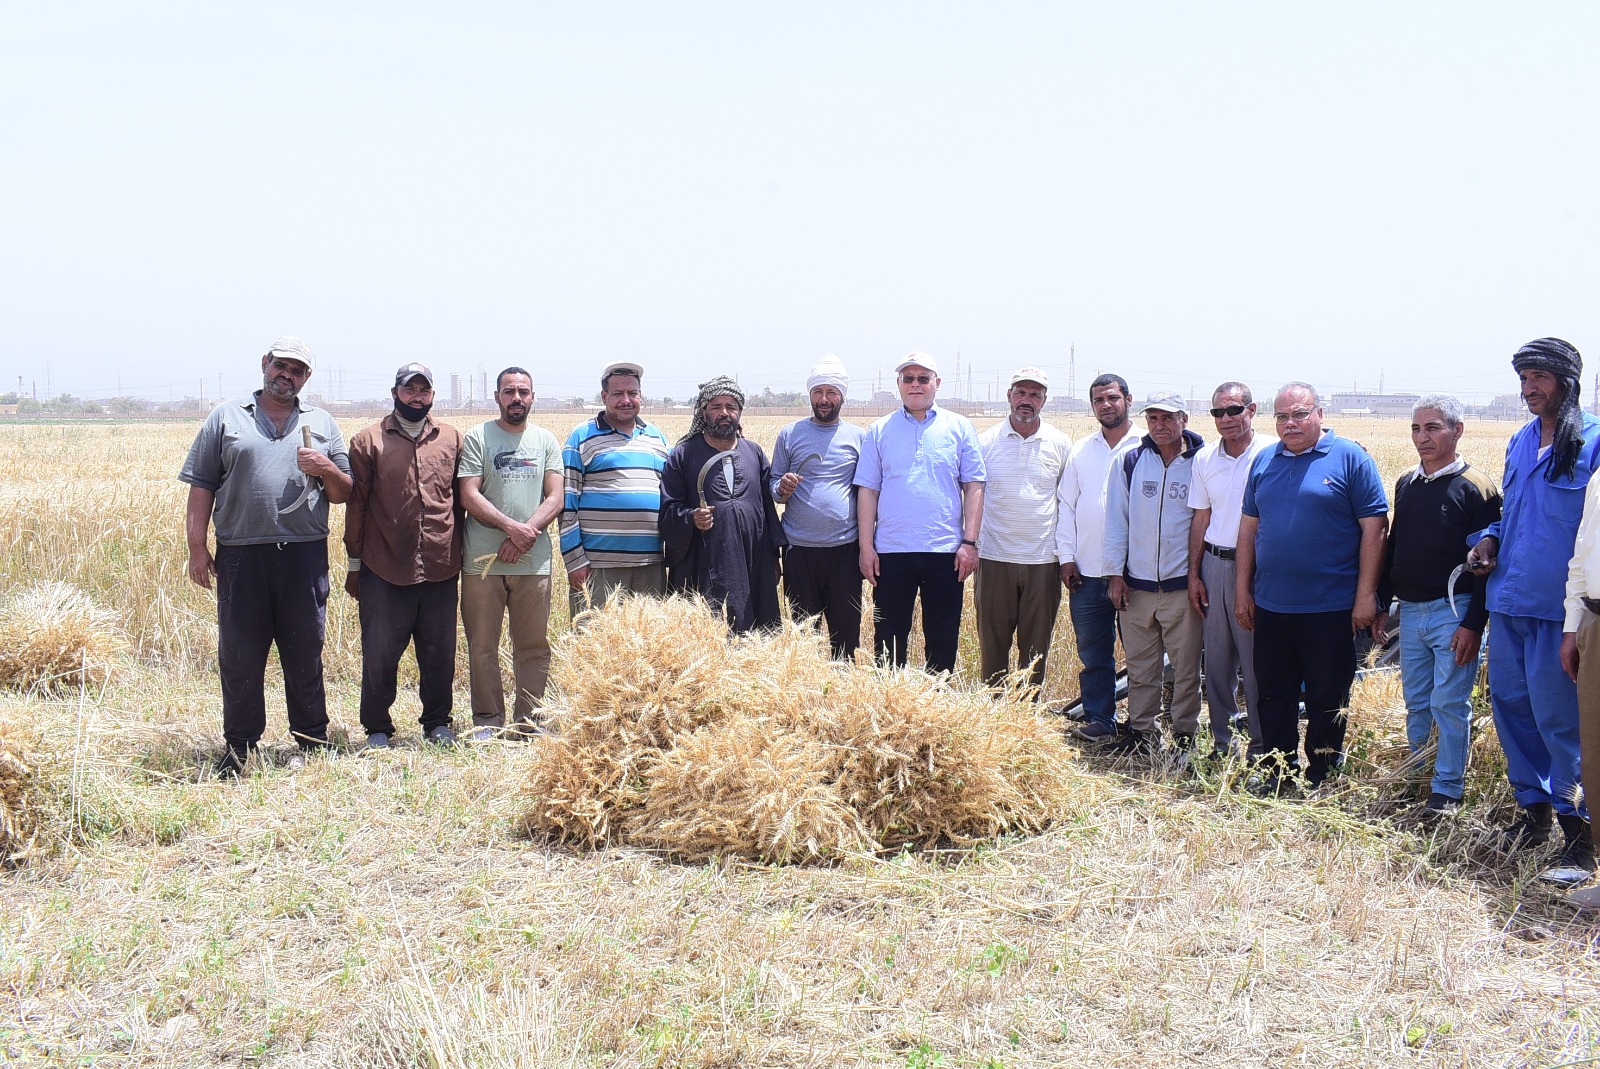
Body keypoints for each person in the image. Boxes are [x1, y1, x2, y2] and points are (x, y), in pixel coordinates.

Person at [180, 336, 352, 776]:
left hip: (303, 555)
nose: (287, 375)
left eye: (297, 370)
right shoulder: (226, 418)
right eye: (281, 366)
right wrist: (197, 548)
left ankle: (312, 739)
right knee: (240, 654)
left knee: (304, 650)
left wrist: (326, 468)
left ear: (306, 377)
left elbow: (343, 492)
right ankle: (240, 746)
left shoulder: (323, 423)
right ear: (265, 364)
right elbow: (202, 484)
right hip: (240, 556)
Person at [1471, 338, 1598, 883]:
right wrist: (1488, 541)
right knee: (1513, 712)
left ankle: (1581, 834)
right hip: (1509, 600)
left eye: (1540, 378)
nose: (1529, 390)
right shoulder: (1521, 441)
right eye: (1523, 379)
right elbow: (1512, 513)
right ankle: (1533, 814)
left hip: (1559, 609)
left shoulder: (1591, 442)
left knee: (1560, 720)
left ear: (1567, 381)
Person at [1235, 382, 1388, 794]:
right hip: (1272, 605)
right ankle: (1277, 773)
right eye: (1282, 416)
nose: (1290, 423)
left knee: (1327, 696)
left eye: (1299, 414)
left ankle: (1323, 775)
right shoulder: (1265, 461)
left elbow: (1374, 529)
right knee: (1273, 695)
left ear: (1319, 413)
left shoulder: (1350, 459)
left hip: (1330, 607)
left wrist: (1365, 596)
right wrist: (1242, 591)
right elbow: (1248, 529)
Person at [1372, 396, 1501, 813]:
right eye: (1416, 429)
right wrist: (1382, 601)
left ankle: (1447, 788)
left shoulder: (1476, 487)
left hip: (1454, 609)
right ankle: (1415, 774)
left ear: (1457, 430)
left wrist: (1472, 624)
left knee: (1449, 701)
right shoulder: (1407, 482)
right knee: (1417, 699)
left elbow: (1487, 565)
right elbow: (1396, 547)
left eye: (1433, 428)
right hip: (1411, 611)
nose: (1422, 438)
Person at [344, 362, 464, 749]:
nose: (417, 396)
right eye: (409, 390)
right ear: (395, 393)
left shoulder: (451, 439)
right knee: (379, 653)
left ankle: (437, 722)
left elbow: (461, 501)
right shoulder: (368, 440)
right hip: (384, 565)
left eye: (423, 390)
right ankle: (377, 728)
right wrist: (354, 565)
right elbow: (357, 505)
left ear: (432, 395)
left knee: (439, 652)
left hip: (441, 564)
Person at [856, 353, 985, 675]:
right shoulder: (879, 430)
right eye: (908, 378)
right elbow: (868, 491)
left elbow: (974, 485)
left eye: (923, 378)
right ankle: (890, 710)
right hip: (891, 552)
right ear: (898, 384)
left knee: (942, 641)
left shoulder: (959, 427)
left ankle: (936, 710)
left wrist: (970, 542)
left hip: (944, 552)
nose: (916, 384)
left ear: (937, 384)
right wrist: (866, 548)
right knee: (889, 640)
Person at [458, 368, 564, 736]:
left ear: (533, 396)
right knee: (482, 645)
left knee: (533, 645)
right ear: (497, 396)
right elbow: (469, 494)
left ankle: (529, 723)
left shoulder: (546, 440)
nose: (516, 398)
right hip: (482, 563)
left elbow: (556, 496)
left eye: (523, 391)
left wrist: (526, 534)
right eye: (509, 392)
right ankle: (487, 721)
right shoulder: (478, 437)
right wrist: (511, 528)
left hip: (533, 563)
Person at [1103, 391, 1204, 755]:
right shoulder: (1130, 461)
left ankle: (1185, 735)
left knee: (1186, 668)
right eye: (1153, 419)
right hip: (1137, 587)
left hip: (1182, 588)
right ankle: (1142, 732)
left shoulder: (1202, 461)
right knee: (1141, 668)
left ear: (1184, 420)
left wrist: (1197, 578)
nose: (1160, 426)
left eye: (1168, 418)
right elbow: (1116, 521)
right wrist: (1115, 574)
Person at [1186, 382, 1273, 760]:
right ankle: (1223, 743)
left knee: (1255, 664)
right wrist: (1193, 574)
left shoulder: (1274, 451)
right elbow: (1200, 517)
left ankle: (1261, 747)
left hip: (1258, 567)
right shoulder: (1205, 459)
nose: (1226, 419)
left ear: (1252, 410)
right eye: (1218, 413)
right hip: (1214, 564)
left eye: (1234, 410)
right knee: (1217, 662)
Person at [660, 376, 786, 631]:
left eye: (731, 407)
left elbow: (767, 512)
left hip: (753, 562)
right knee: (708, 635)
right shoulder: (683, 455)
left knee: (756, 638)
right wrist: (691, 517)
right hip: (704, 564)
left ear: (739, 412)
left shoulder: (754, 453)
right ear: (703, 411)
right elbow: (668, 508)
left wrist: (774, 558)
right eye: (716, 407)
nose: (724, 413)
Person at [974, 367, 1072, 694]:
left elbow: (1068, 502)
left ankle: (1026, 717)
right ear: (1009, 396)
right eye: (1021, 392)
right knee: (993, 645)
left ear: (1045, 400)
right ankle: (994, 718)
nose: (1026, 400)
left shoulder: (1060, 444)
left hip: (1043, 560)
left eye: (1034, 394)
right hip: (994, 557)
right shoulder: (985, 442)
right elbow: (971, 497)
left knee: (1035, 649)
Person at [560, 361, 672, 620]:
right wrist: (575, 561)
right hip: (599, 566)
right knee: (596, 648)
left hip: (650, 565)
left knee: (648, 649)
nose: (626, 400)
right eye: (618, 393)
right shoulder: (582, 436)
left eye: (632, 393)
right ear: (604, 397)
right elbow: (567, 503)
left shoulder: (657, 438)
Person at [1061, 373, 1140, 742]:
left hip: (1137, 573)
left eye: (1112, 398)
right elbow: (1066, 506)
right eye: (1098, 401)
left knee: (1144, 654)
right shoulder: (1080, 450)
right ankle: (1101, 721)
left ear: (1127, 399)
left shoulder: (1149, 445)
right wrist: (1066, 557)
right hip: (1087, 572)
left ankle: (1142, 727)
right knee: (1094, 654)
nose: (1106, 406)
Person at [771, 354, 865, 657]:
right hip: (799, 551)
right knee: (802, 639)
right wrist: (782, 487)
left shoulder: (859, 437)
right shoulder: (789, 434)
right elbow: (774, 489)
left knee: (846, 638)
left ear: (842, 396)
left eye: (831, 392)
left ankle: (842, 696)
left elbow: (867, 492)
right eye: (818, 392)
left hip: (845, 552)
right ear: (810, 395)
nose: (824, 399)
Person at [1559, 456, 1600, 909]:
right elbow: (1582, 555)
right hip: (1594, 620)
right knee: (1595, 753)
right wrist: (1574, 626)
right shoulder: (1598, 478)